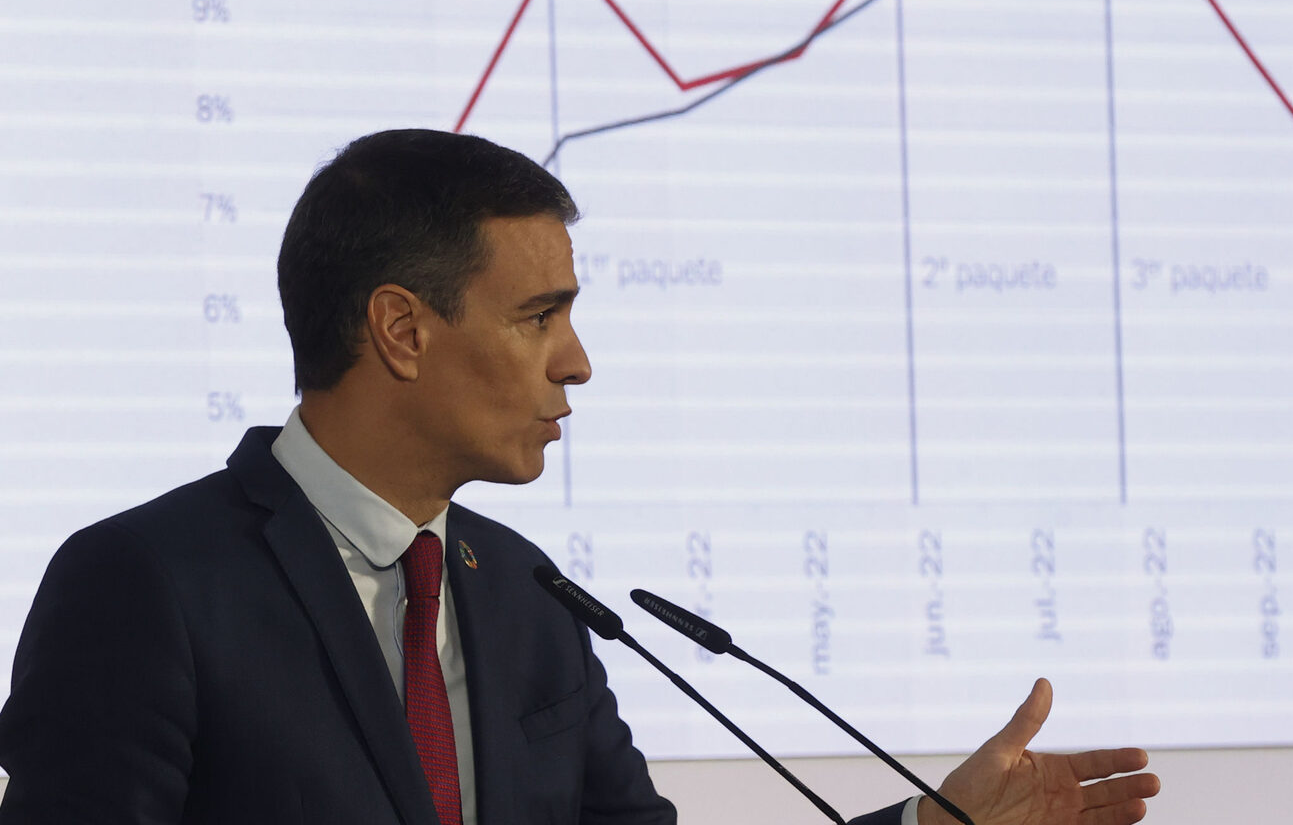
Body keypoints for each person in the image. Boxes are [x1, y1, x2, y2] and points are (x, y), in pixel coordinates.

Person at [0, 129, 1159, 824]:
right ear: (402, 330)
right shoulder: (145, 585)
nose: (577, 362)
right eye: (538, 316)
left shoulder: (523, 595)